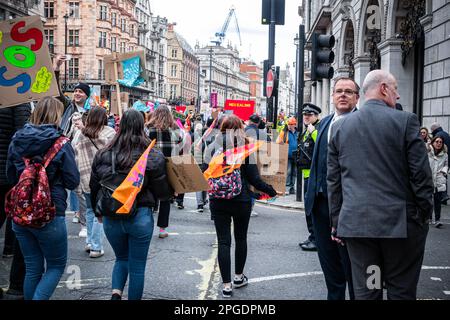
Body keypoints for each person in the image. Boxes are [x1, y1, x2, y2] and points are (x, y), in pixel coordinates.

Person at [327, 70, 433, 300]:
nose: (397, 97)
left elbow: (334, 181)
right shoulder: (405, 121)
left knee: (369, 289)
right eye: (395, 90)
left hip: (358, 227)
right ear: (384, 88)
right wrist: (424, 214)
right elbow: (421, 175)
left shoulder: (340, 128)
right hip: (400, 227)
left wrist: (336, 221)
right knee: (400, 289)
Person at [90, 109, 172, 300]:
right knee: (137, 266)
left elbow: (94, 187)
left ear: (120, 126)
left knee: (121, 258)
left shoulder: (103, 154)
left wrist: (97, 212)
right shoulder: (152, 155)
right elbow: (162, 192)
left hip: (111, 214)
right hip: (140, 215)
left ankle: (116, 294)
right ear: (142, 125)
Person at [7, 96, 80, 300]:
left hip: (21, 214)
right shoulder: (61, 143)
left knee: (32, 268)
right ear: (57, 116)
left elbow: (11, 175)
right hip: (50, 212)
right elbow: (72, 181)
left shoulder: (17, 139)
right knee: (56, 266)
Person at [207, 115, 278, 298]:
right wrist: (271, 190)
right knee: (240, 238)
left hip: (218, 200)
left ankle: (226, 286)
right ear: (240, 128)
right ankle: (238, 277)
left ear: (223, 128)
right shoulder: (245, 147)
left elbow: (203, 171)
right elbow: (254, 179)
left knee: (223, 241)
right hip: (241, 200)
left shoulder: (213, 145)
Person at [304, 77, 358, 300]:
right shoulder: (324, 123)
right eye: (339, 91)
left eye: (348, 91)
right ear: (333, 96)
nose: (343, 95)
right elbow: (317, 163)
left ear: (357, 97)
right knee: (332, 273)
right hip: (320, 207)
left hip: (348, 209)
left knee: (354, 272)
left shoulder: (361, 122)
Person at [73, 107, 116, 258]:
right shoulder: (109, 132)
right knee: (100, 213)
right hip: (103, 178)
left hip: (85, 176)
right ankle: (96, 248)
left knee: (90, 210)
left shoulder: (81, 134)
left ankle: (90, 242)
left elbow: (75, 154)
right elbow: (115, 154)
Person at [0, 103, 31, 300]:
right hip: (8, 174)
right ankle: (17, 286)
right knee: (21, 227)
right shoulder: (17, 97)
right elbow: (22, 139)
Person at [147, 106, 183, 238]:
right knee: (166, 199)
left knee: (149, 196)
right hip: (168, 166)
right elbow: (180, 144)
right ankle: (162, 229)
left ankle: (148, 225)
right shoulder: (175, 129)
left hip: (151, 166)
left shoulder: (149, 128)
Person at [297, 103, 321, 252]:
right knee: (308, 209)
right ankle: (312, 236)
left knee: (312, 209)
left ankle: (316, 239)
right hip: (306, 173)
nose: (306, 117)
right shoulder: (306, 130)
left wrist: (313, 132)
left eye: (310, 115)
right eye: (305, 115)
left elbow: (322, 144)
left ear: (316, 116)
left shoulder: (316, 129)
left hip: (313, 176)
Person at [427, 136, 448, 228]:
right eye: (437, 141)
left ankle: (437, 219)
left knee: (437, 201)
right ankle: (429, 218)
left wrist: (444, 171)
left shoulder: (445, 154)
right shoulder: (428, 152)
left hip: (439, 179)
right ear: (433, 142)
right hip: (428, 178)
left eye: (441, 142)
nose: (439, 143)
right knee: (428, 200)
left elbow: (446, 165)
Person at [276, 117, 299, 195]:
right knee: (288, 172)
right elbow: (278, 142)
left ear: (295, 125)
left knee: (294, 172)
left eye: (291, 124)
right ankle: (287, 188)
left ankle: (292, 188)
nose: (289, 126)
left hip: (296, 156)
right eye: (288, 124)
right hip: (287, 156)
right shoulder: (284, 132)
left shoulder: (298, 133)